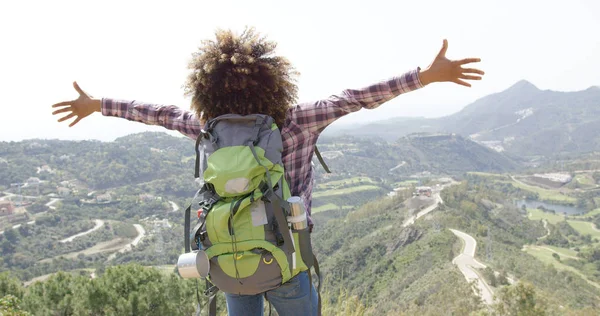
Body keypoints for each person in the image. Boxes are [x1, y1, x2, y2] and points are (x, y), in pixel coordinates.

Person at [51, 27, 484, 316]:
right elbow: (356, 98)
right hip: (288, 260)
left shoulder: (207, 129)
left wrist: (97, 105)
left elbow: (153, 113)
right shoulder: (297, 121)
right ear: (275, 80)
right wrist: (423, 77)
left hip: (230, 259)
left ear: (208, 89)